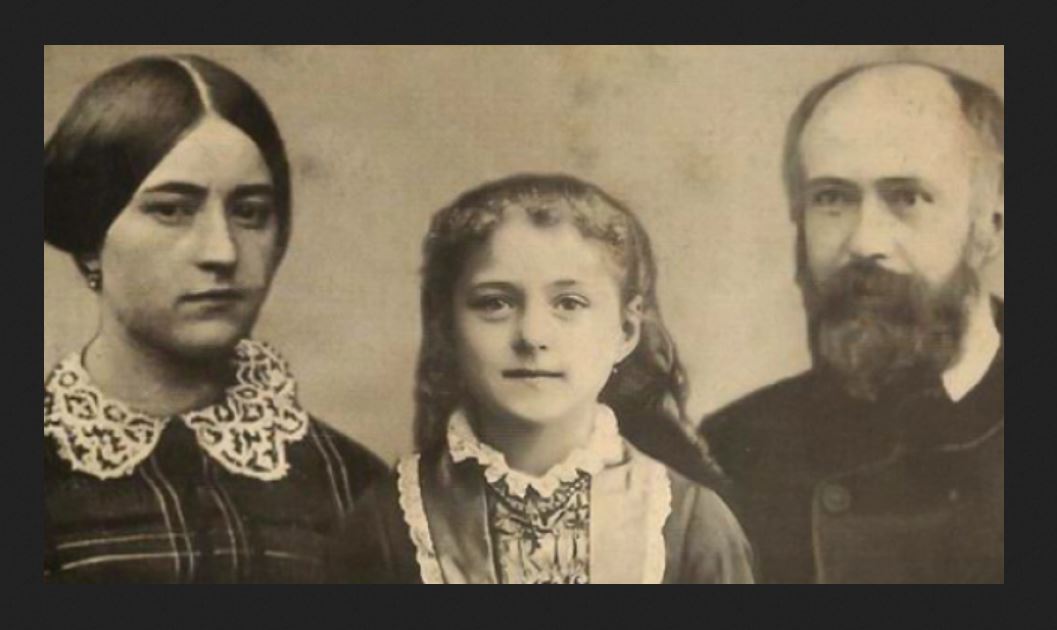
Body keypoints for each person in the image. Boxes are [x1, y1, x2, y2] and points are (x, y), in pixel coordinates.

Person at [43, 54, 387, 583]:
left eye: (249, 212)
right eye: (172, 210)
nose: (222, 252)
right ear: (91, 238)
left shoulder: (355, 485)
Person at [330, 174, 752, 583]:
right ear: (447, 327)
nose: (532, 335)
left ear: (625, 331)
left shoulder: (689, 525)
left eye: (569, 303)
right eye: (495, 303)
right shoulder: (389, 524)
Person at [700, 62, 1004, 583]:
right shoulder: (733, 447)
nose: (864, 241)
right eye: (832, 199)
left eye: (906, 197)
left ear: (990, 223)